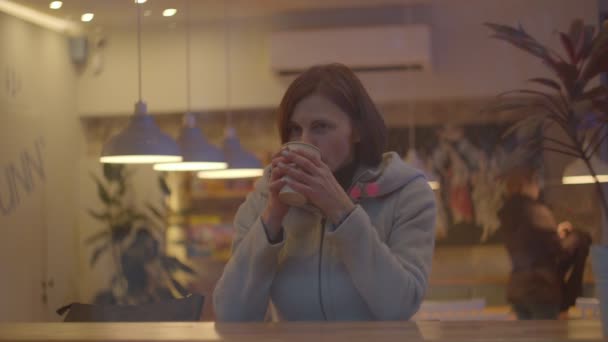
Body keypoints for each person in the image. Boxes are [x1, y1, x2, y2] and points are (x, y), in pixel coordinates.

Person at [212, 63, 437, 321]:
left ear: (357, 130)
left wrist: (342, 212)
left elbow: (400, 305)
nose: (305, 142)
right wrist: (272, 219)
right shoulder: (265, 197)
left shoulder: (407, 193)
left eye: (320, 127)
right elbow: (231, 316)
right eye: (295, 129)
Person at [498, 165, 591, 320]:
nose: (538, 188)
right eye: (535, 182)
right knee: (546, 335)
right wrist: (576, 237)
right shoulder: (536, 211)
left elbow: (531, 242)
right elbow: (559, 251)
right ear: (526, 185)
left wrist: (556, 233)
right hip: (541, 288)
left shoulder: (507, 214)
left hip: (518, 288)